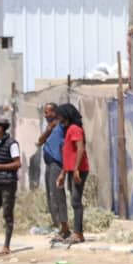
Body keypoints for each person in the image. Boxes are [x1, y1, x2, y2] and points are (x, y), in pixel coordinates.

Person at [55, 104, 89, 244]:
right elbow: (68, 154)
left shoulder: (75, 129)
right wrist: (63, 173)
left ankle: (78, 233)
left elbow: (80, 148)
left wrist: (75, 169)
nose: (58, 119)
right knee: (74, 200)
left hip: (78, 170)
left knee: (76, 201)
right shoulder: (68, 129)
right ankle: (76, 232)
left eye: (60, 116)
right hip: (71, 170)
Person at [0, 114, 21, 256]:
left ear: (0, 128)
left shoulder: (12, 143)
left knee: (7, 215)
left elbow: (17, 163)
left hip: (8, 183)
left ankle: (6, 246)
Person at [36, 102, 69, 240]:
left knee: (58, 195)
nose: (45, 115)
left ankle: (65, 228)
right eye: (44, 112)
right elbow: (39, 141)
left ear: (55, 112)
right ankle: (58, 226)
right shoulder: (49, 127)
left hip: (57, 164)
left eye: (48, 112)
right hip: (49, 164)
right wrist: (49, 129)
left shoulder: (62, 125)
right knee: (51, 196)